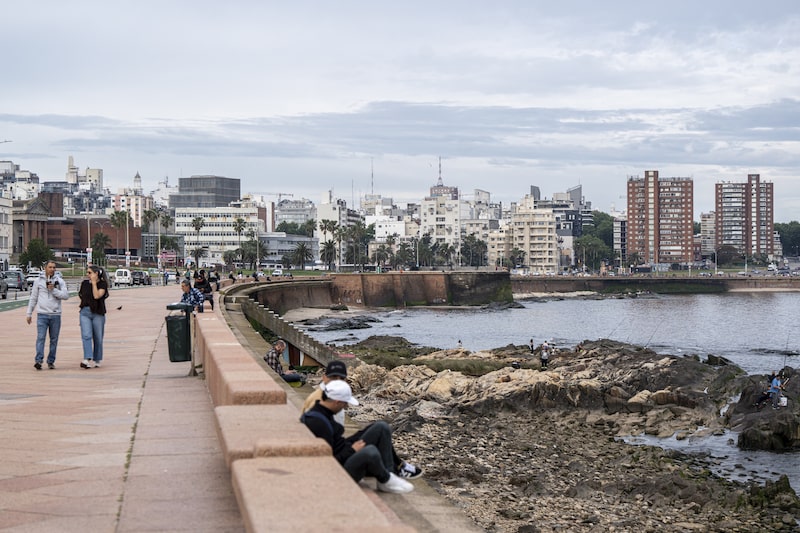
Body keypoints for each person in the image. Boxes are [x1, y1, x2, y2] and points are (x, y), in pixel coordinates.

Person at [301, 360, 423, 480]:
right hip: (340, 459)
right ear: (324, 378)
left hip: (339, 446)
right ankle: (391, 473)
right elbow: (327, 456)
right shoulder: (319, 407)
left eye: (341, 378)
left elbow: (334, 440)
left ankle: (398, 466)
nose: (337, 381)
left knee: (379, 427)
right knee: (378, 435)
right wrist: (352, 450)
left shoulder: (326, 398)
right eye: (333, 377)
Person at [26, 260, 70, 370]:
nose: (52, 269)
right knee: (41, 338)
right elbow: (34, 298)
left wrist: (54, 290)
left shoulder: (59, 281)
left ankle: (51, 361)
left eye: (54, 267)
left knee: (54, 339)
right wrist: (29, 313)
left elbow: (65, 295)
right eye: (50, 267)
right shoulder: (38, 281)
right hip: (42, 314)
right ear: (45, 268)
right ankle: (38, 360)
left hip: (55, 315)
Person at [79, 265, 109, 369]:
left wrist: (94, 284)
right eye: (87, 273)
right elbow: (81, 295)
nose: (88, 275)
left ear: (96, 273)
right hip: (85, 312)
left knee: (98, 337)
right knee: (86, 335)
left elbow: (97, 296)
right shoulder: (84, 284)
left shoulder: (103, 284)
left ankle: (97, 358)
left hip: (98, 313)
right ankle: (87, 358)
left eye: (90, 273)